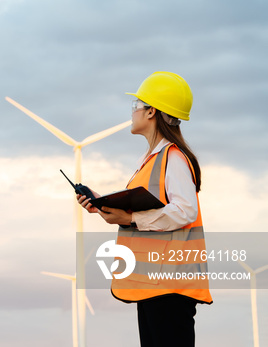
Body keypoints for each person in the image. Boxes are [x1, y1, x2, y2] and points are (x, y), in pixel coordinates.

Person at [77, 71, 212, 347]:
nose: (133, 112)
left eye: (136, 106)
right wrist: (105, 205)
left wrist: (131, 217)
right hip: (153, 284)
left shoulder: (172, 158)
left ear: (151, 112)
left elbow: (185, 210)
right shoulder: (150, 161)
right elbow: (147, 208)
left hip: (170, 286)